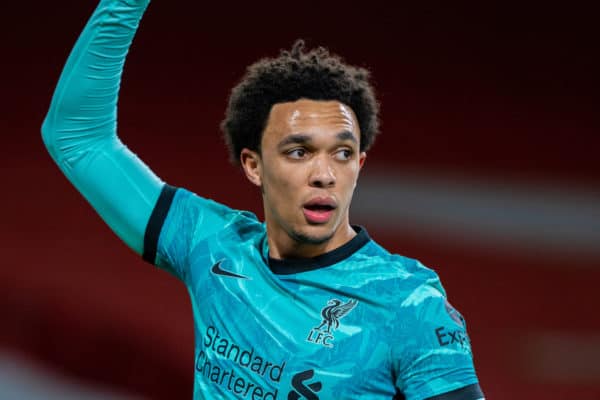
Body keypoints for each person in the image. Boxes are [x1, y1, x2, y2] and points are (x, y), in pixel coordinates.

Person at [41, 0, 484, 399]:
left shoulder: (408, 303)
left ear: (360, 164)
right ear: (254, 165)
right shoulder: (212, 245)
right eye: (299, 151)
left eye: (343, 153)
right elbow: (76, 137)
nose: (325, 174)